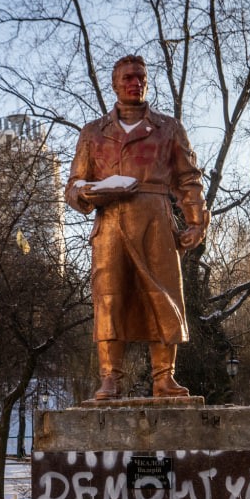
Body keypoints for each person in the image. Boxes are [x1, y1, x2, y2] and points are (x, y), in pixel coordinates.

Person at [64, 53, 208, 401]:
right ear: (114, 84)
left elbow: (188, 179)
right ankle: (110, 379)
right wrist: (93, 191)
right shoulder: (93, 133)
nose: (134, 82)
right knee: (110, 299)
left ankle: (164, 377)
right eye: (127, 77)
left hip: (156, 220)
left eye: (140, 77)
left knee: (163, 296)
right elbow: (72, 187)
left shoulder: (168, 128)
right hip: (110, 224)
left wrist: (196, 222)